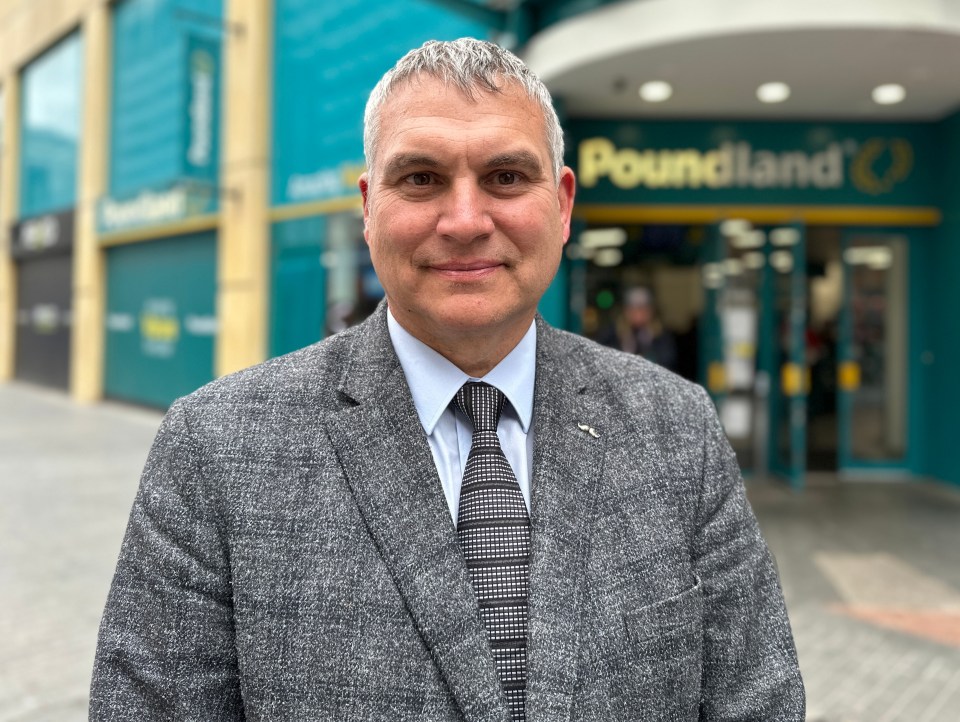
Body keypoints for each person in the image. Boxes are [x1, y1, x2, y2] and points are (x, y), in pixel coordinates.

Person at [90, 38, 804, 721]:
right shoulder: (214, 447)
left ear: (561, 205)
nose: (465, 221)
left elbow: (758, 701)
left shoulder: (677, 428)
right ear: (368, 207)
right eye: (422, 178)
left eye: (505, 177)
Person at [600, 286, 679, 371]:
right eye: (633, 310)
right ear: (626, 311)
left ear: (650, 311)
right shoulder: (613, 333)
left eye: (642, 309)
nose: (638, 314)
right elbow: (603, 357)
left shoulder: (660, 335)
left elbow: (667, 361)